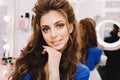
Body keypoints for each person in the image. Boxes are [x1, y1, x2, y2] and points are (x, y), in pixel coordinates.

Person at [9, 0, 90, 80]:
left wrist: (54, 71)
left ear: (71, 27)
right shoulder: (27, 59)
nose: (53, 35)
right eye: (46, 29)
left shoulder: (80, 72)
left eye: (59, 25)